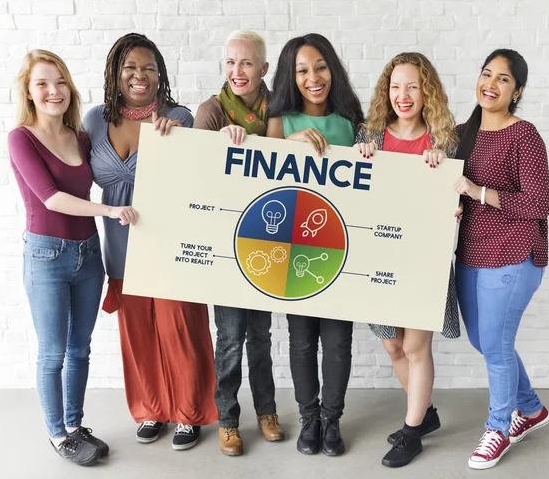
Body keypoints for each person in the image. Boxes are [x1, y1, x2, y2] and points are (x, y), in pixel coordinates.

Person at [82, 33, 218, 451]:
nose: (139, 76)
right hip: (121, 244)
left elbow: (199, 179)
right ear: (115, 74)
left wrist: (178, 140)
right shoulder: (92, 121)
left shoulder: (179, 116)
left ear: (160, 75)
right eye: (130, 68)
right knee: (137, 333)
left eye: (148, 68)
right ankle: (152, 408)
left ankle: (189, 414)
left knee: (181, 330)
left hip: (170, 245)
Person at [9, 50, 137, 466]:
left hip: (88, 253)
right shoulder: (21, 138)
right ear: (29, 93)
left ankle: (74, 425)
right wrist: (110, 211)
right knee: (53, 352)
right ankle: (56, 434)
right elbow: (52, 198)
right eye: (43, 83)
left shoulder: (80, 135)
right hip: (46, 255)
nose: (53, 91)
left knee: (80, 348)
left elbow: (118, 166)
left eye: (60, 81)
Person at [355, 52, 461, 468]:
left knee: (416, 346)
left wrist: (448, 188)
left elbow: (458, 196)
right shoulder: (370, 137)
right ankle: (426, 414)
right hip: (381, 255)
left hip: (423, 256)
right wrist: (357, 165)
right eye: (395, 87)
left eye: (413, 87)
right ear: (387, 91)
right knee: (393, 344)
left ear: (426, 91)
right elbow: (349, 196)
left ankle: (412, 433)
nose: (403, 95)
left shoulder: (443, 140)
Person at [453, 49, 549, 470]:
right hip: (471, 251)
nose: (490, 84)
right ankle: (531, 408)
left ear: (518, 91)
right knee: (484, 341)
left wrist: (476, 192)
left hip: (514, 253)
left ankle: (499, 427)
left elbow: (539, 203)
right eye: (486, 74)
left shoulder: (523, 135)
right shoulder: (462, 132)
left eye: (503, 79)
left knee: (495, 343)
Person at [267, 33, 364, 457]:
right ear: (291, 76)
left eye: (320, 67)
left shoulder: (350, 119)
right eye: (302, 70)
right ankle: (309, 419)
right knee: (302, 340)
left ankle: (332, 419)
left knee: (339, 341)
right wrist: (289, 144)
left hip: (340, 246)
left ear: (333, 69)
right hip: (293, 248)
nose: (313, 77)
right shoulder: (280, 120)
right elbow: (259, 169)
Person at [194, 30, 284, 457]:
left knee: (261, 337)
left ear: (263, 69)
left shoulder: (279, 110)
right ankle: (227, 420)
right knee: (229, 338)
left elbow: (289, 166)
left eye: (246, 63)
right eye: (230, 63)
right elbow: (199, 177)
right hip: (227, 245)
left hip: (266, 241)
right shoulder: (212, 112)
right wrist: (217, 149)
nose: (237, 71)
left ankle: (267, 411)